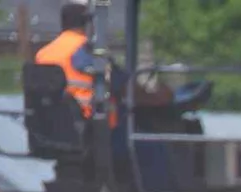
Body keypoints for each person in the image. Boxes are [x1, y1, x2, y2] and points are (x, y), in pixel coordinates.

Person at [35, 3, 175, 124]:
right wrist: (159, 98)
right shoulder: (88, 51)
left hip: (53, 129)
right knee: (155, 146)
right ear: (88, 23)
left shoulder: (42, 54)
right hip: (93, 128)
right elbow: (127, 90)